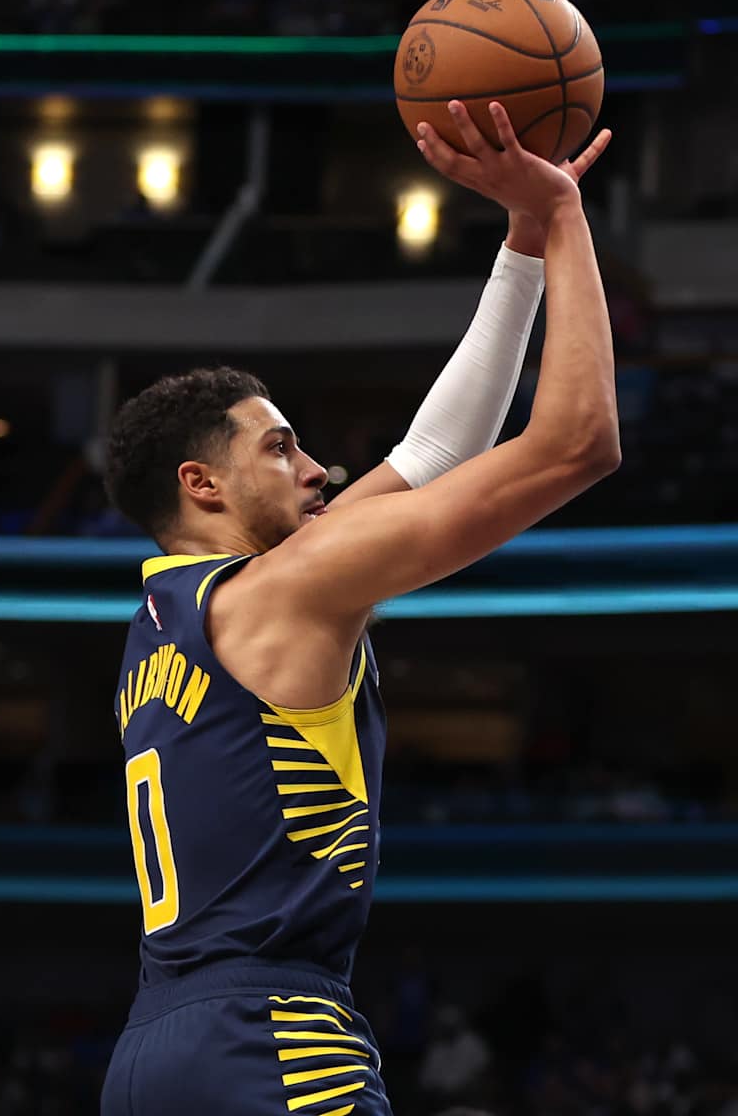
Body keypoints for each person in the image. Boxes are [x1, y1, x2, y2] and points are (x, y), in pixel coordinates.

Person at [98, 101, 619, 1116]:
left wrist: (515, 246)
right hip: (272, 1036)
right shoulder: (288, 586)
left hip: (151, 1054)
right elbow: (578, 442)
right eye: (281, 447)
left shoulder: (171, 623)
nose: (319, 465)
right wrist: (563, 219)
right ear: (205, 487)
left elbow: (429, 459)